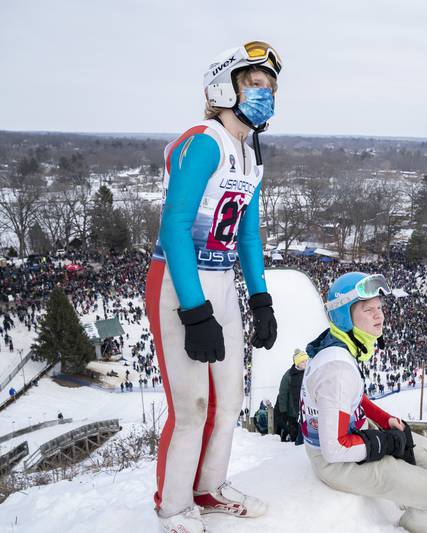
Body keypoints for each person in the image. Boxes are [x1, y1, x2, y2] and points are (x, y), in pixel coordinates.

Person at [144, 40, 282, 533]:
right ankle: (173, 506)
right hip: (179, 280)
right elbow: (175, 226)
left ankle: (209, 486)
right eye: (255, 84)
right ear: (226, 86)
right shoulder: (204, 141)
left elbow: (247, 231)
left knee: (228, 401)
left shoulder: (250, 157)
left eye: (270, 87)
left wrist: (260, 297)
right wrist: (194, 311)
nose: (265, 95)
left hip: (222, 278)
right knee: (191, 407)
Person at [300, 272, 427, 533]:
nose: (379, 315)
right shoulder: (338, 371)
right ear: (344, 316)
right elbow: (335, 449)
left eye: (379, 307)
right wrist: (386, 443)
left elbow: (355, 399)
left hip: (354, 434)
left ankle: (416, 498)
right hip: (334, 463)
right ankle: (416, 525)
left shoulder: (341, 347)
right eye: (368, 310)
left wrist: (384, 419)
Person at [276, 349, 307, 443]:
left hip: (306, 410)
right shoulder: (289, 375)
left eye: (306, 361)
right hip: (293, 411)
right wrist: (283, 411)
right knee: (295, 432)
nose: (305, 363)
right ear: (297, 363)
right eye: (302, 361)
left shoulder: (309, 371)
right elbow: (283, 394)